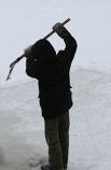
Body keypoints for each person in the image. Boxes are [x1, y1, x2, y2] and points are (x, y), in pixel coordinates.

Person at [25, 22, 78, 170]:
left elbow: (29, 70)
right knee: (63, 136)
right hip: (64, 105)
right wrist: (62, 32)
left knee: (53, 139)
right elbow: (72, 45)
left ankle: (56, 167)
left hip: (50, 111)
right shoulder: (63, 60)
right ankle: (63, 164)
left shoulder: (40, 69)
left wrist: (29, 56)